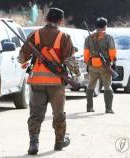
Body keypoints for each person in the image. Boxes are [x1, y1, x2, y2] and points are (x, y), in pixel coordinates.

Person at [18, 8, 80, 155]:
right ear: (61, 21)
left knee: (36, 114)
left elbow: (22, 58)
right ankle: (59, 142)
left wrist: (35, 55)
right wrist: (77, 75)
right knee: (58, 114)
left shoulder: (35, 35)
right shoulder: (64, 36)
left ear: (45, 19)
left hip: (37, 81)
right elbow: (70, 61)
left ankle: (34, 143)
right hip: (56, 83)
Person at [84, 17, 117, 114]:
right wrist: (113, 62)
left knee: (90, 85)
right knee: (107, 86)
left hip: (92, 65)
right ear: (105, 26)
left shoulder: (89, 37)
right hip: (105, 66)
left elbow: (86, 53)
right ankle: (108, 108)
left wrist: (88, 63)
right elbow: (112, 52)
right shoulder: (108, 37)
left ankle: (89, 107)